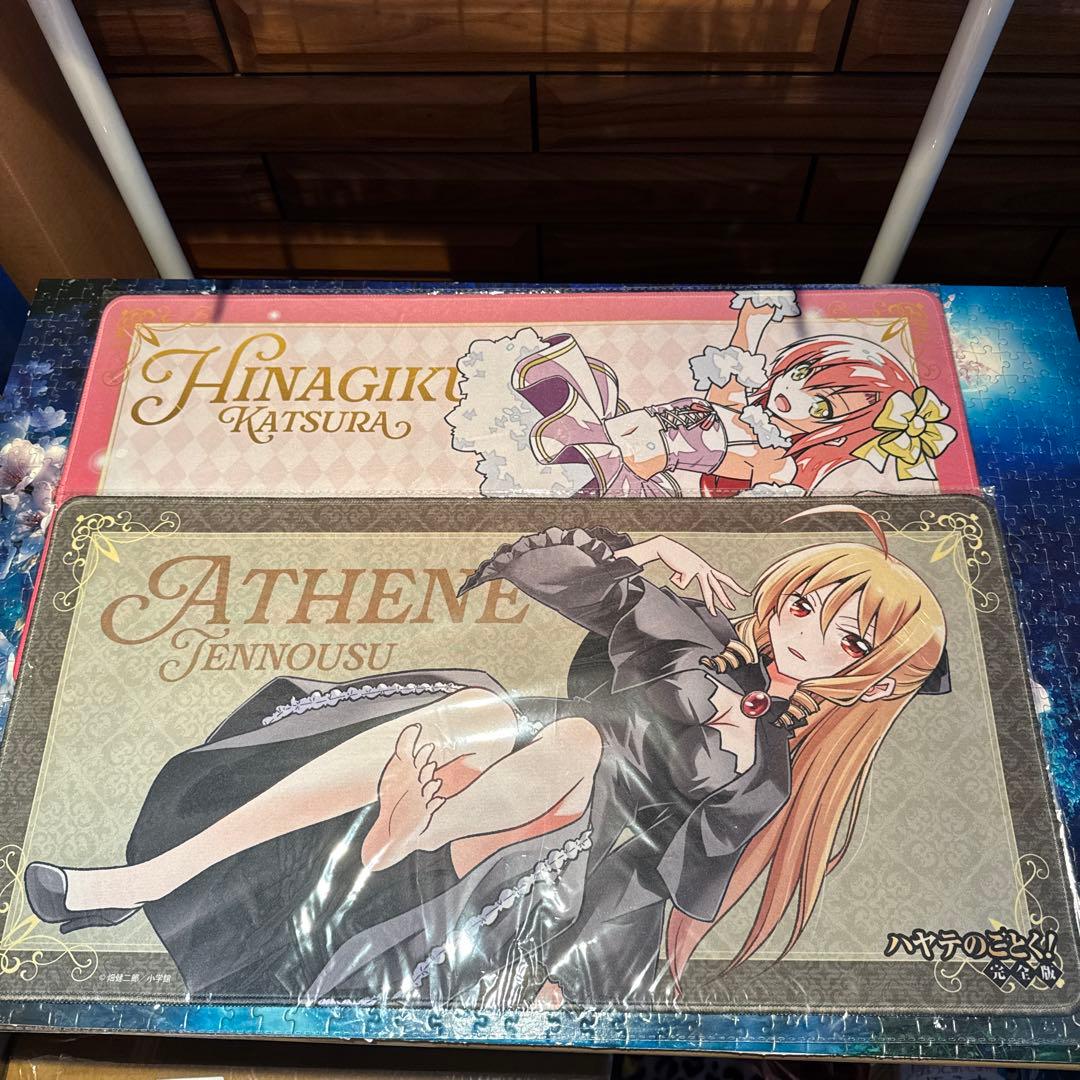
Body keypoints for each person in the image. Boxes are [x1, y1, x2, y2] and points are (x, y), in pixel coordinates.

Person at [24, 508, 947, 1007]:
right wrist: (653, 546)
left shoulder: (768, 774)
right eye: (805, 605)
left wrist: (584, 986)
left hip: (577, 852)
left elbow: (672, 889)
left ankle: (412, 836)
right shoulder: (688, 635)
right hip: (529, 751)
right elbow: (556, 575)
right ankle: (146, 878)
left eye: (849, 639)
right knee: (491, 712)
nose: (807, 633)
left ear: (869, 679)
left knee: (566, 768)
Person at [505, 291, 957, 497]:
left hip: (627, 462)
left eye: (821, 406)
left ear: (837, 432)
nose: (793, 395)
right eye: (800, 372)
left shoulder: (776, 459)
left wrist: (666, 453)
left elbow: (735, 471)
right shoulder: (743, 406)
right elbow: (734, 369)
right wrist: (751, 320)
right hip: (608, 425)